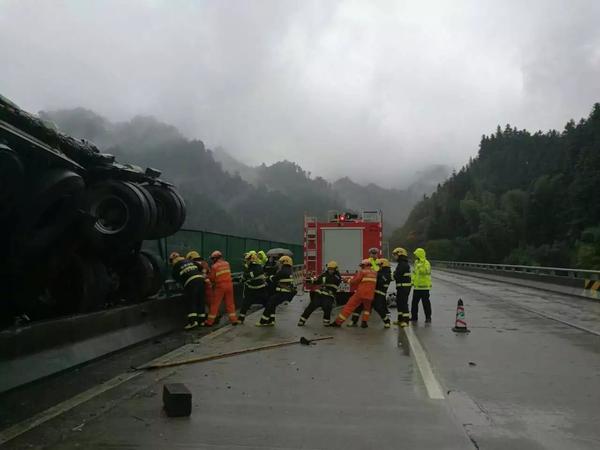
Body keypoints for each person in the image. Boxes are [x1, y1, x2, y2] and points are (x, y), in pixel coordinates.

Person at [330, 259, 377, 328]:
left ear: (365, 265)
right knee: (367, 309)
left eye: (362, 266)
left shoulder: (362, 272)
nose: (361, 267)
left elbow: (354, 282)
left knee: (349, 307)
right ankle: (364, 323)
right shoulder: (374, 272)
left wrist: (347, 280)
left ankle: (338, 322)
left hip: (360, 294)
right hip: (370, 295)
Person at [349, 258, 392, 328]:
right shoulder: (379, 272)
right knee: (361, 306)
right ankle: (356, 321)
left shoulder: (386, 274)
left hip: (379, 294)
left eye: (378, 265)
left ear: (383, 265)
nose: (377, 267)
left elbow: (380, 281)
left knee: (378, 307)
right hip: (372, 293)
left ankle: (387, 321)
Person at [298, 260, 342, 326]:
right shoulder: (324, 274)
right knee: (310, 307)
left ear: (336, 269)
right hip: (319, 294)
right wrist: (309, 280)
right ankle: (302, 321)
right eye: (329, 269)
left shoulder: (337, 277)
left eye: (332, 269)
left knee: (327, 308)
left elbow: (332, 280)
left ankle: (326, 323)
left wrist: (322, 279)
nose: (330, 270)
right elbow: (318, 281)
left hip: (328, 296)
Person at [170, 251, 207, 330]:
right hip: (201, 280)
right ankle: (202, 321)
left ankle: (193, 322)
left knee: (191, 301)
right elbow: (201, 267)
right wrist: (203, 274)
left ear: (172, 260)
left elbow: (176, 277)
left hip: (191, 283)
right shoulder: (189, 261)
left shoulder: (175, 266)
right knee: (200, 300)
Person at [257, 255, 295, 326]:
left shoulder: (283, 271)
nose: (279, 264)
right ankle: (271, 320)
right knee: (272, 304)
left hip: (282, 293)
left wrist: (268, 278)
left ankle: (263, 321)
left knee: (270, 303)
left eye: (281, 262)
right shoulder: (289, 270)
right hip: (286, 293)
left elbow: (274, 279)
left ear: (285, 262)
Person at [204, 250, 239, 326]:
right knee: (230, 303)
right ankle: (234, 320)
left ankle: (209, 322)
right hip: (229, 285)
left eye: (213, 259)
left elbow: (212, 278)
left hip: (220, 287)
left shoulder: (214, 266)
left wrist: (207, 276)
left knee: (215, 304)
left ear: (215, 258)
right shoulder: (227, 263)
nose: (212, 260)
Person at [239, 251, 269, 324]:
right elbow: (246, 275)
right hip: (252, 288)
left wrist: (245, 276)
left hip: (260, 289)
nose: (246, 261)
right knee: (245, 303)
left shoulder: (257, 266)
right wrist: (242, 279)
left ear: (251, 259)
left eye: (247, 259)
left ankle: (268, 318)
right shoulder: (250, 266)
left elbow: (251, 274)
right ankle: (241, 319)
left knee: (267, 303)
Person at [186, 250, 214, 317]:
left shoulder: (193, 263)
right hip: (208, 284)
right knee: (209, 302)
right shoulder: (204, 263)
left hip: (200, 284)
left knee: (198, 302)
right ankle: (212, 317)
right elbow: (208, 272)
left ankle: (206, 318)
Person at [392, 247, 412, 327]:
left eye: (395, 255)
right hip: (401, 287)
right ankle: (400, 320)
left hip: (404, 287)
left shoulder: (403, 264)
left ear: (400, 255)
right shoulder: (401, 264)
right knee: (399, 303)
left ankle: (406, 321)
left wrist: (390, 277)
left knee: (403, 303)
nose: (394, 256)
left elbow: (397, 275)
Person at [411, 247, 432, 323]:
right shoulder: (416, 262)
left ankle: (428, 318)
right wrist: (412, 281)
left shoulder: (426, 263)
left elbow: (426, 272)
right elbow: (414, 273)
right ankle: (414, 317)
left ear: (420, 254)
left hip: (424, 288)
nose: (415, 256)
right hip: (416, 287)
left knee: (426, 304)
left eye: (416, 254)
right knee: (414, 304)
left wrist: (421, 266)